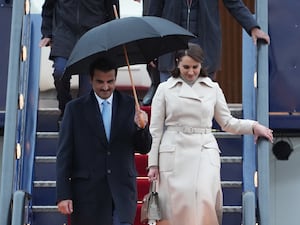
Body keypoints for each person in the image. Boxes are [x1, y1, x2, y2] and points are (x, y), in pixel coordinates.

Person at [147, 43, 273, 225]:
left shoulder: (212, 88)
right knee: (176, 207)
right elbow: (155, 130)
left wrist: (253, 126)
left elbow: (228, 123)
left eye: (195, 67)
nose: (191, 72)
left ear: (202, 65)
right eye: (186, 67)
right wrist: (153, 163)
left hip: (203, 149)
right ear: (177, 64)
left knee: (204, 197)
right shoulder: (164, 89)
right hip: (174, 151)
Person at [56, 57, 152, 225]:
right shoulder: (75, 109)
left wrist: (142, 128)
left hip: (122, 192)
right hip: (88, 194)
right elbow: (64, 154)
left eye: (110, 81)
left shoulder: (130, 105)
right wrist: (63, 195)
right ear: (91, 80)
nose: (106, 87)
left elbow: (144, 148)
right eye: (100, 82)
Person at [147, 0, 270, 81]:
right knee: (170, 105)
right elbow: (154, 12)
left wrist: (253, 28)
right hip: (170, 51)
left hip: (204, 50)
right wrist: (151, 46)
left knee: (203, 105)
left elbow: (234, 4)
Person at [39, 0, 119, 124]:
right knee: (60, 72)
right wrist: (47, 33)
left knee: (87, 88)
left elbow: (112, 10)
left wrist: (112, 39)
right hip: (64, 34)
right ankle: (65, 109)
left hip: (93, 35)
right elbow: (48, 8)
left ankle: (80, 119)